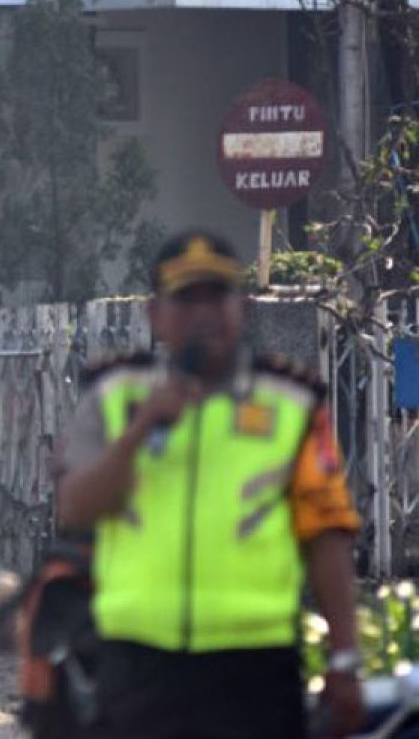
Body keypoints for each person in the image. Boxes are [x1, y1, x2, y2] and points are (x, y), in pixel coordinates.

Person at [56, 230, 364, 739]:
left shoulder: (291, 405)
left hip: (254, 671)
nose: (203, 313)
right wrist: (140, 430)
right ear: (156, 314)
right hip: (138, 665)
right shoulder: (113, 398)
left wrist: (346, 659)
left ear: (241, 309)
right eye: (186, 298)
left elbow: (326, 537)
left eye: (216, 296)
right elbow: (76, 509)